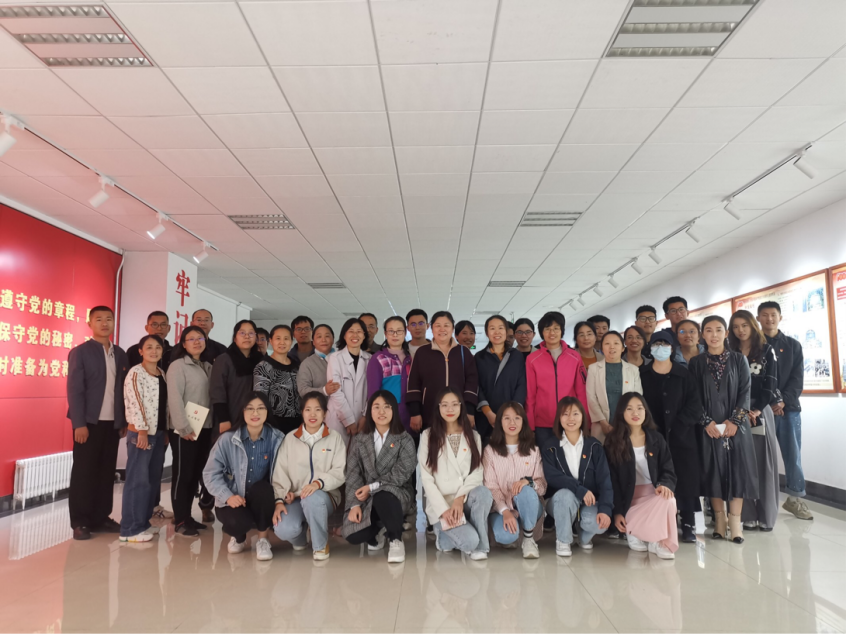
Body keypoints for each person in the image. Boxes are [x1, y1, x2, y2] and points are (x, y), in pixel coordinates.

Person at [689, 315, 757, 544]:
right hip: (708, 427)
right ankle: (719, 521)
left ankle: (735, 524)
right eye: (708, 330)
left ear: (726, 333)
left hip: (736, 427)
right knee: (712, 471)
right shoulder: (696, 363)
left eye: (719, 330)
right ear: (702, 335)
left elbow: (745, 392)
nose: (714, 335)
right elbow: (693, 396)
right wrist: (706, 421)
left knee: (738, 472)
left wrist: (735, 421)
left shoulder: (739, 360)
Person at [66, 306, 128, 541]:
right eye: (99, 319)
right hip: (88, 423)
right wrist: (79, 423)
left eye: (109, 319)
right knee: (84, 472)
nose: (104, 323)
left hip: (112, 424)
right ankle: (80, 522)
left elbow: (123, 390)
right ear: (90, 324)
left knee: (106, 472)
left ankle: (101, 517)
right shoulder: (80, 352)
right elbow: (75, 390)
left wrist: (122, 420)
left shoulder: (120, 353)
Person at [639, 330, 703, 543]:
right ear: (650, 348)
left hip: (682, 436)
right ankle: (663, 520)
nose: (661, 348)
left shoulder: (684, 374)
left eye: (665, 344)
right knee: (657, 476)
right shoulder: (642, 374)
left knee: (686, 478)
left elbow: (695, 405)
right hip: (652, 436)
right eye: (656, 344)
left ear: (672, 348)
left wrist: (679, 424)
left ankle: (688, 522)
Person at [204, 392, 284, 561]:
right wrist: (227, 496)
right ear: (243, 411)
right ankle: (239, 537)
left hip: (262, 499)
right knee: (237, 523)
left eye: (260, 408)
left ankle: (263, 540)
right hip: (234, 498)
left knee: (263, 489)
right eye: (250, 408)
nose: (255, 413)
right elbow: (210, 474)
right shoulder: (227, 439)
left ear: (267, 411)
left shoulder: (277, 439)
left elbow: (286, 470)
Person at [343, 391, 417, 564]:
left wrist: (372, 487)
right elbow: (353, 473)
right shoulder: (360, 440)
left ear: (394, 410)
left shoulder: (405, 439)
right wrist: (354, 504)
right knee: (353, 535)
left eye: (386, 407)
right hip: (366, 497)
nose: (381, 412)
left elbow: (401, 474)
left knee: (383, 495)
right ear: (370, 411)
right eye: (376, 407)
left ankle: (395, 539)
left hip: (397, 494)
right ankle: (379, 529)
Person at [418, 387, 492, 560]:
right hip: (442, 505)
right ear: (438, 408)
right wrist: (444, 510)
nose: (449, 409)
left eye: (454, 404)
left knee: (483, 493)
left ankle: (481, 546)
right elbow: (426, 479)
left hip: (464, 500)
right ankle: (444, 537)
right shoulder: (428, 436)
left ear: (461, 406)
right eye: (444, 405)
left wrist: (459, 498)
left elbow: (477, 472)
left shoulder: (473, 436)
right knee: (469, 541)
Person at [272, 392, 346, 561]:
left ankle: (320, 546)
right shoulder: (290, 439)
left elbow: (339, 472)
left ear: (325, 413)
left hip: (324, 495)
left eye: (318, 410)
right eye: (308, 410)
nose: (313, 414)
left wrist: (318, 484)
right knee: (283, 528)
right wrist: (282, 497)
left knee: (312, 498)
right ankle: (300, 540)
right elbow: (280, 472)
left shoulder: (334, 438)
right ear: (302, 412)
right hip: (297, 497)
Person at [605, 392, 678, 560]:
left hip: (654, 495)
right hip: (630, 500)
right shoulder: (613, 441)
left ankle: (659, 541)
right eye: (629, 409)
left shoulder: (656, 439)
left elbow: (668, 469)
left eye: (639, 408)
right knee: (665, 504)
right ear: (621, 412)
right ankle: (636, 532)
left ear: (646, 411)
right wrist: (617, 511)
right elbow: (611, 481)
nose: (635, 413)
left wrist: (665, 484)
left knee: (669, 500)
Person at [757, 301, 812, 520]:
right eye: (764, 315)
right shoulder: (754, 345)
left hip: (788, 409)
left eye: (773, 314)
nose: (769, 319)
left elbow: (797, 379)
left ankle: (795, 499)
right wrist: (769, 402)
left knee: (793, 455)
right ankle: (759, 499)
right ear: (758, 318)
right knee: (760, 456)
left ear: (780, 317)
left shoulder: (792, 345)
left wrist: (782, 402)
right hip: (761, 409)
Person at [541, 397, 612, 557]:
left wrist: (605, 509)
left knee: (599, 523)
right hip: (559, 502)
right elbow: (552, 476)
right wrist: (579, 489)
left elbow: (605, 481)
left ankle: (582, 535)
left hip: (589, 502)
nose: (570, 419)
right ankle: (563, 540)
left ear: (583, 417)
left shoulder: (594, 446)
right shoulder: (550, 446)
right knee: (565, 496)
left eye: (575, 414)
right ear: (559, 418)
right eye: (565, 414)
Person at [209, 320, 265, 525]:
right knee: (229, 467)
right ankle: (228, 506)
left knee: (251, 466)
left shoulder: (260, 360)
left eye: (251, 333)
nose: (247, 336)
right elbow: (217, 392)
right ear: (235, 337)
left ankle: (251, 511)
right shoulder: (224, 359)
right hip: (230, 419)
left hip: (254, 422)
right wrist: (224, 420)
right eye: (243, 333)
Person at [729, 310, 781, 532]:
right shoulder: (730, 352)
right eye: (735, 327)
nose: (740, 330)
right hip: (736, 413)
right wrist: (739, 411)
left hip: (759, 411)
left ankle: (766, 516)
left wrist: (757, 410)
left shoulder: (766, 350)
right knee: (743, 464)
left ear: (753, 325)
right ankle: (748, 515)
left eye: (744, 325)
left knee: (763, 464)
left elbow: (771, 383)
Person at [166, 326, 214, 537]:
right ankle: (180, 519)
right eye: (191, 339)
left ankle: (188, 516)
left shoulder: (207, 366)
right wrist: (182, 426)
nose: (196, 342)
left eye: (200, 338)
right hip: (184, 429)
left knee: (195, 474)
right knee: (182, 475)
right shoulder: (178, 366)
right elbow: (174, 398)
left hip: (204, 426)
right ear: (183, 344)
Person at [120, 335, 168, 543]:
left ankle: (144, 523)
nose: (154, 351)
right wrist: (141, 430)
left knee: (151, 481)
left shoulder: (161, 373)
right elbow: (135, 402)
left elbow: (164, 405)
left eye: (158, 347)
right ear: (140, 351)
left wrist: (165, 431)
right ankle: (130, 529)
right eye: (149, 347)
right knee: (137, 481)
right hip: (141, 433)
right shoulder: (136, 372)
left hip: (158, 433)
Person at [483, 402, 546, 559]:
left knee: (525, 490)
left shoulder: (534, 450)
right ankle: (515, 534)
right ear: (500, 422)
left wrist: (528, 482)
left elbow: (542, 486)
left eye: (517, 418)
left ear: (523, 421)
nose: (512, 422)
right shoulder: (490, 451)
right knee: (506, 536)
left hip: (530, 506)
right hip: (501, 507)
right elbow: (491, 487)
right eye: (507, 418)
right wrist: (505, 511)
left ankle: (529, 539)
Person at [407, 311, 478, 433]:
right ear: (432, 328)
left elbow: (472, 382)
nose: (442, 329)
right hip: (429, 412)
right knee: (431, 443)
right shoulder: (422, 352)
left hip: (458, 413)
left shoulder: (464, 352)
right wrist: (415, 412)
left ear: (452, 328)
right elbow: (414, 383)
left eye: (446, 325)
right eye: (438, 325)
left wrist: (470, 411)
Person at [526, 311, 589, 447]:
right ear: (542, 332)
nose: (552, 332)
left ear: (562, 331)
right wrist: (530, 426)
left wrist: (586, 422)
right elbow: (530, 395)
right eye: (547, 329)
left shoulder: (574, 357)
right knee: (546, 458)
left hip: (570, 421)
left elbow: (581, 392)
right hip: (543, 423)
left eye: (556, 328)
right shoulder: (532, 359)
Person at [475, 315, 527, 443]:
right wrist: (488, 413)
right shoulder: (479, 357)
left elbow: (521, 384)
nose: (497, 332)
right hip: (486, 418)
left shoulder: (516, 356)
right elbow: (476, 386)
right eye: (492, 328)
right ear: (487, 333)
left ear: (506, 331)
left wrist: (513, 413)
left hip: (512, 418)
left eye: (500, 328)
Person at [586, 331, 643, 443]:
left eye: (616, 343)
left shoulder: (633, 370)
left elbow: (637, 397)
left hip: (627, 424)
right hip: (601, 425)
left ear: (622, 348)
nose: (612, 347)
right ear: (602, 348)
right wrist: (603, 422)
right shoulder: (593, 369)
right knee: (601, 451)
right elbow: (591, 397)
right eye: (607, 343)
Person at [326, 318, 371, 442]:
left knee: (358, 453)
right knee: (336, 452)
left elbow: (372, 390)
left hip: (362, 419)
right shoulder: (335, 358)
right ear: (344, 335)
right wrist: (348, 420)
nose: (355, 335)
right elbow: (335, 391)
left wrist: (365, 416)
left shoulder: (370, 359)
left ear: (364, 336)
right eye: (351, 331)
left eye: (359, 331)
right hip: (338, 418)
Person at [366, 316, 412, 435]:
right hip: (387, 414)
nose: (395, 335)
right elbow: (373, 392)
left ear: (405, 332)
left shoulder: (411, 358)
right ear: (385, 333)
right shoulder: (378, 358)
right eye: (391, 331)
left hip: (409, 414)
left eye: (399, 331)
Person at [254, 325, 301, 434]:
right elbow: (260, 399)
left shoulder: (296, 365)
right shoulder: (264, 366)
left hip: (298, 422)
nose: (282, 342)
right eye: (278, 338)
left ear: (291, 341)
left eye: (286, 338)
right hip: (274, 424)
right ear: (271, 341)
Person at [296, 324, 339, 397]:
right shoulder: (307, 364)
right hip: (321, 404)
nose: (323, 340)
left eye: (327, 336)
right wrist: (324, 390)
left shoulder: (342, 359)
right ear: (313, 342)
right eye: (319, 337)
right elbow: (303, 390)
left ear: (333, 339)